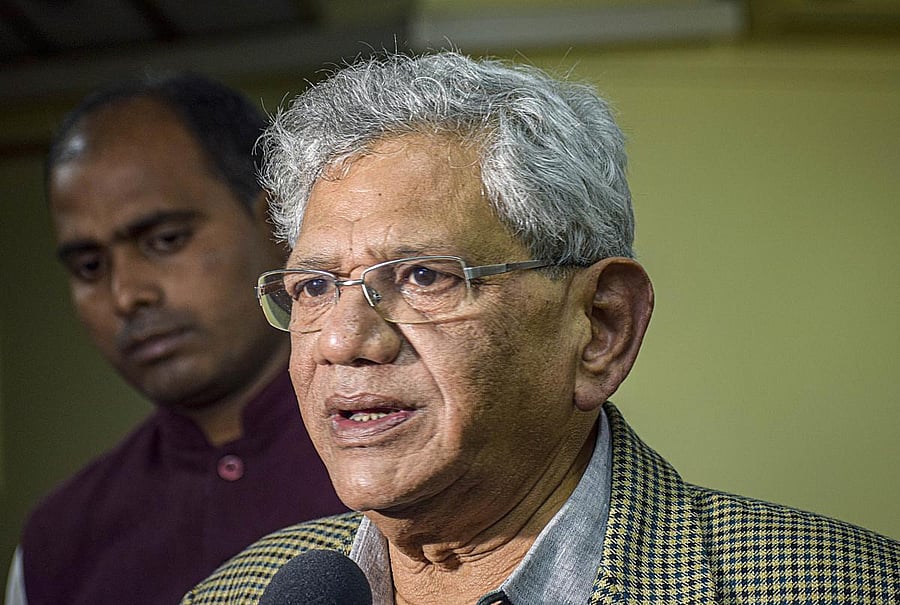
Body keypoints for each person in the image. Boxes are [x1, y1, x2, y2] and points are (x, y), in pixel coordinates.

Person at [182, 52, 900, 604]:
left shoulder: (843, 587)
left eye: (423, 277)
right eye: (312, 287)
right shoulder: (235, 593)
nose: (342, 342)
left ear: (601, 326)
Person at [5, 73, 346, 605]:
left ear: (278, 226)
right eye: (90, 266)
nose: (126, 295)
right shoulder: (58, 542)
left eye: (165, 240)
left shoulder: (398, 457)